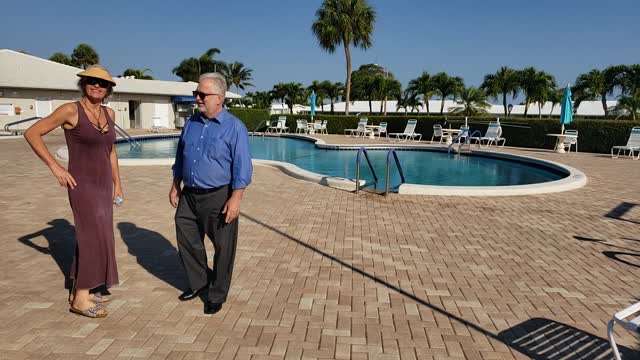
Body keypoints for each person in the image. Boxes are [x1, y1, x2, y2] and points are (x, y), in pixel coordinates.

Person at [24, 65, 123, 318]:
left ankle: (83, 288)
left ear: (109, 89)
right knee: (91, 237)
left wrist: (118, 184)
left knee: (99, 236)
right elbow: (32, 133)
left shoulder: (109, 113)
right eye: (91, 81)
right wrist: (56, 167)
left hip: (103, 185)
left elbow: (111, 151)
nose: (97, 86)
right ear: (84, 84)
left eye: (102, 84)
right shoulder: (70, 110)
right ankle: (80, 299)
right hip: (81, 184)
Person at [169, 72, 252, 315]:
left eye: (202, 94)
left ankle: (217, 294)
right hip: (189, 195)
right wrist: (175, 184)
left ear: (219, 97)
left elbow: (242, 166)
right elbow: (180, 156)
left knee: (223, 247)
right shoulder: (192, 123)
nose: (197, 98)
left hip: (219, 195)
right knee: (186, 237)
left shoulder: (235, 127)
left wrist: (236, 198)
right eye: (196, 93)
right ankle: (199, 282)